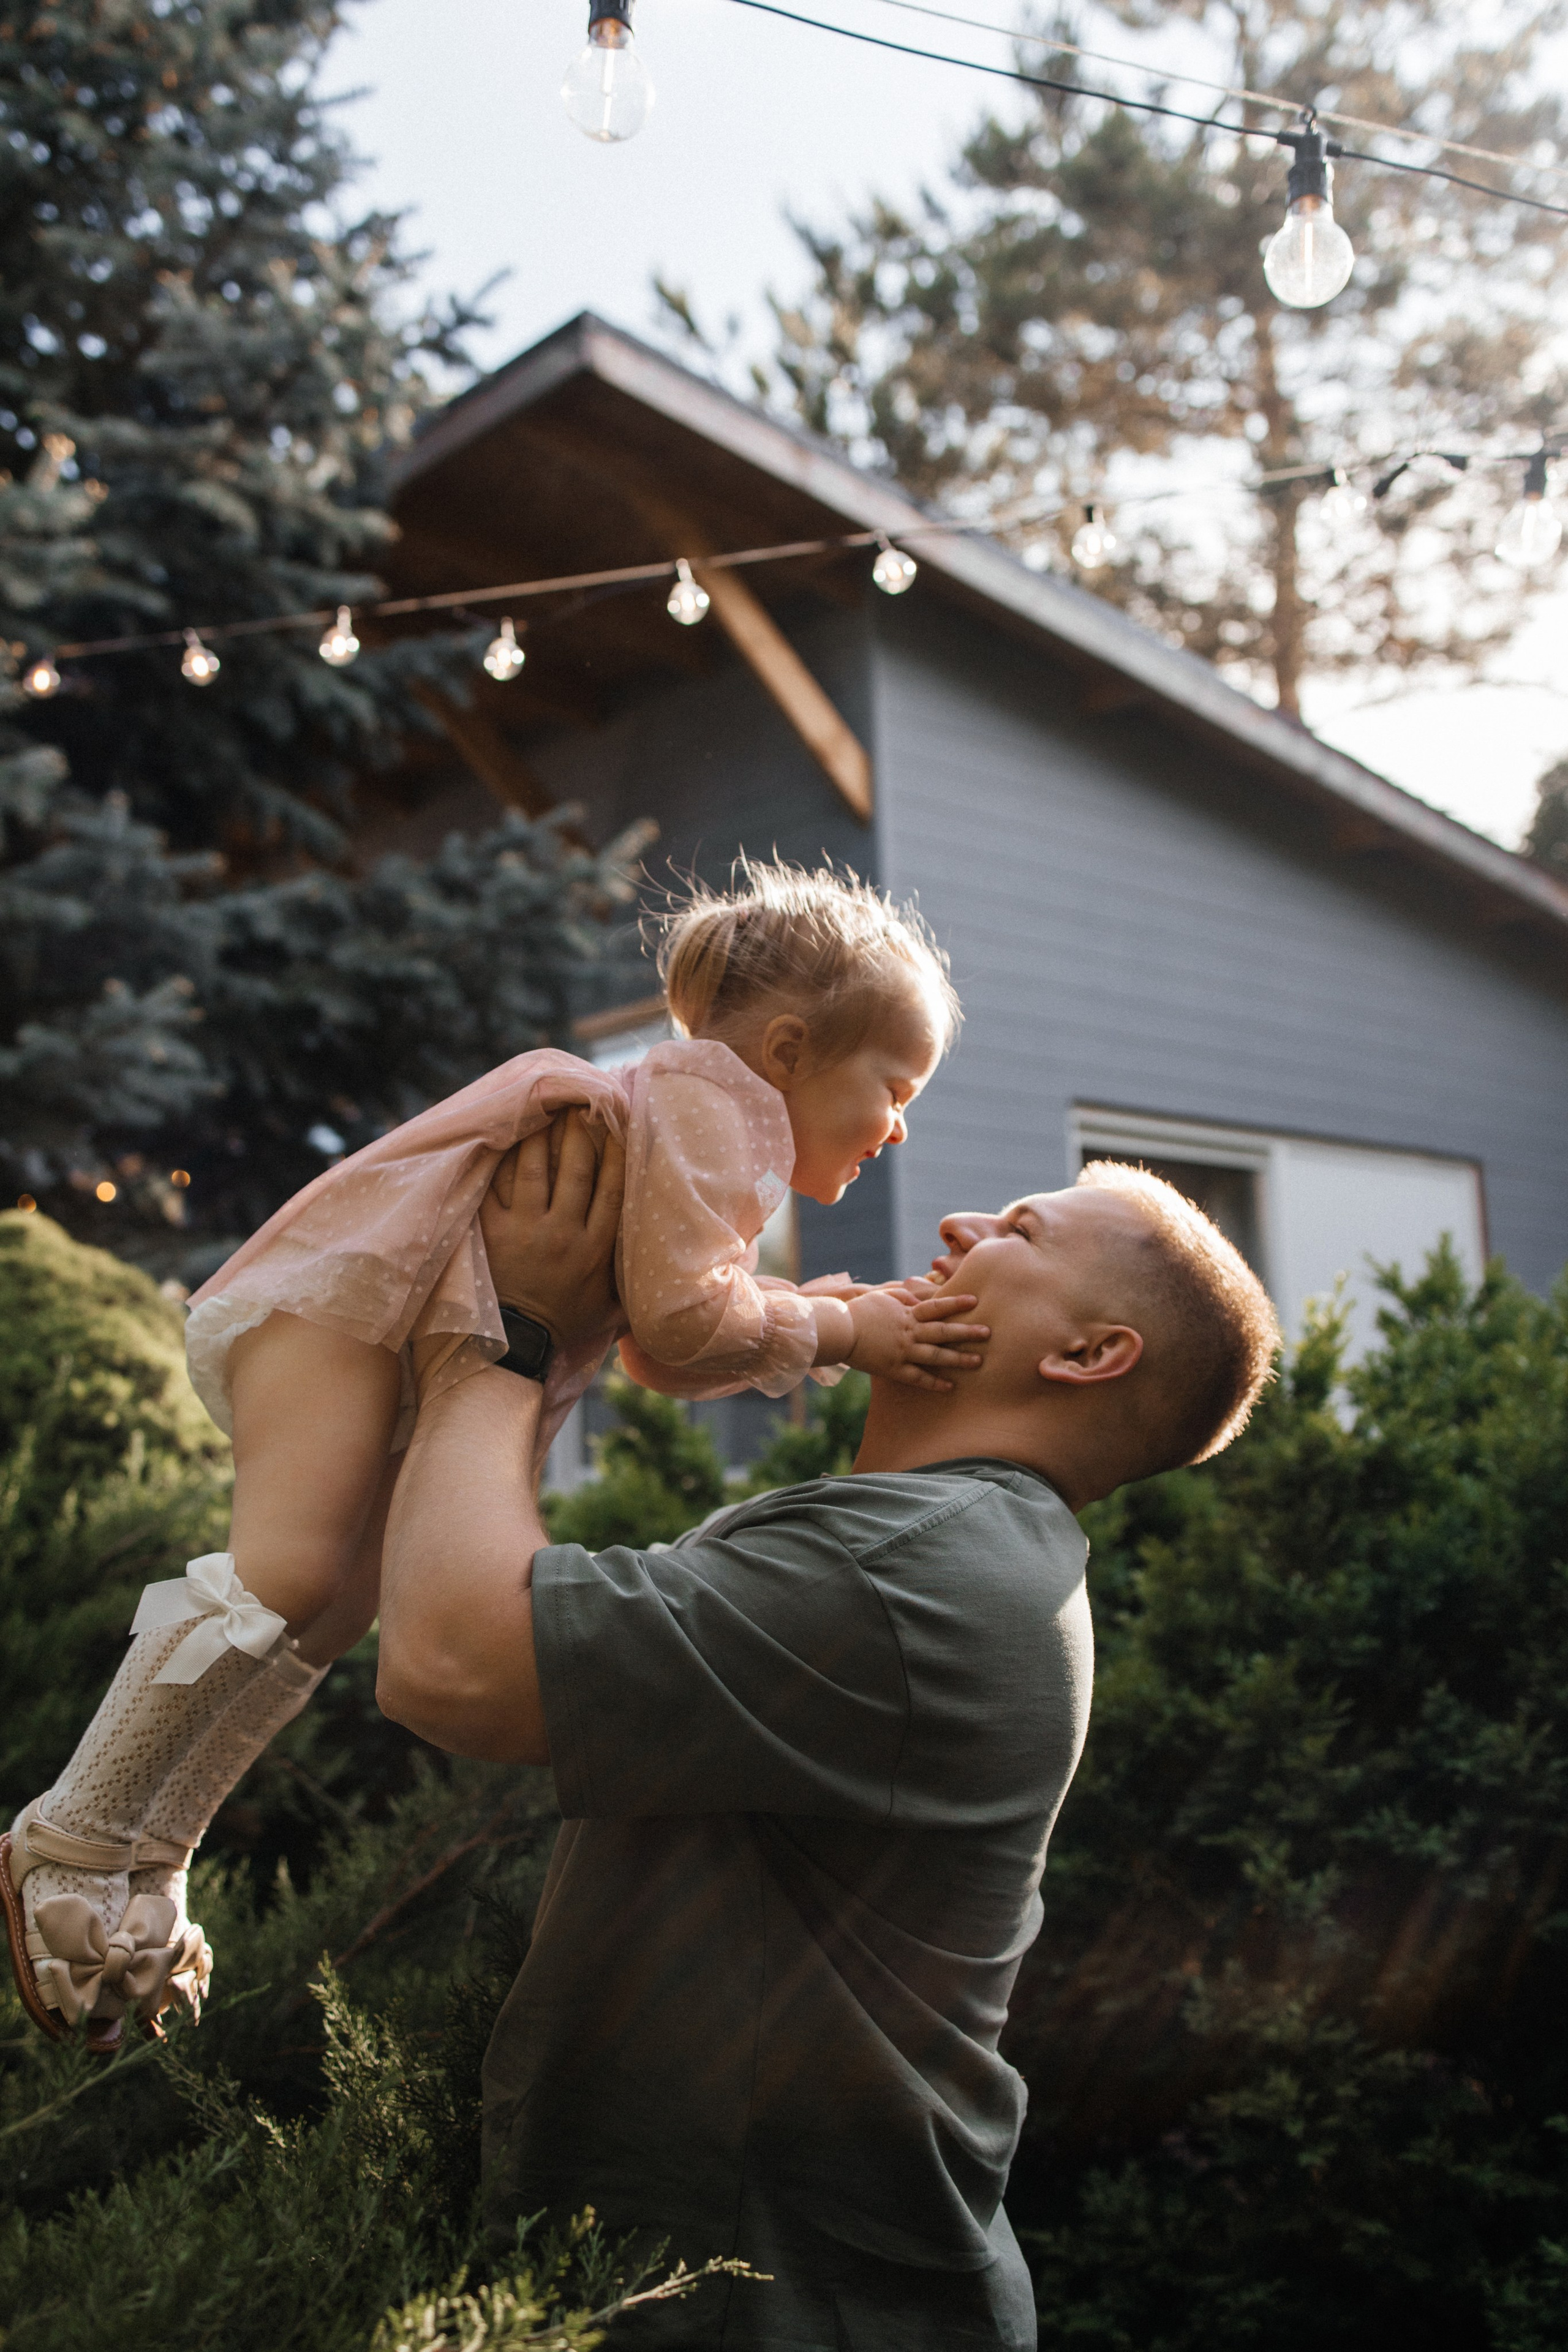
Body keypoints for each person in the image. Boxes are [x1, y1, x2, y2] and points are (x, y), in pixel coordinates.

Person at [2, 861, 989, 2055]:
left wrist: (818, 1313)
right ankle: (71, 1830)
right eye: (894, 1087)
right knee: (287, 1572)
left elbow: (667, 1355)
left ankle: (154, 1851)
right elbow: (683, 1327)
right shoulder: (712, 1117)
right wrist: (841, 1326)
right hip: (350, 1300)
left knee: (325, 1605)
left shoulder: (706, 1123)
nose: (899, 1125)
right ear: (785, 1050)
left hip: (389, 1320)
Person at [374, 1117, 1281, 2350]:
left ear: (1085, 1352)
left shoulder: (917, 1567)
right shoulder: (949, 1544)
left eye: (1016, 1230)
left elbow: (451, 1660)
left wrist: (514, 1331)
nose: (958, 1228)